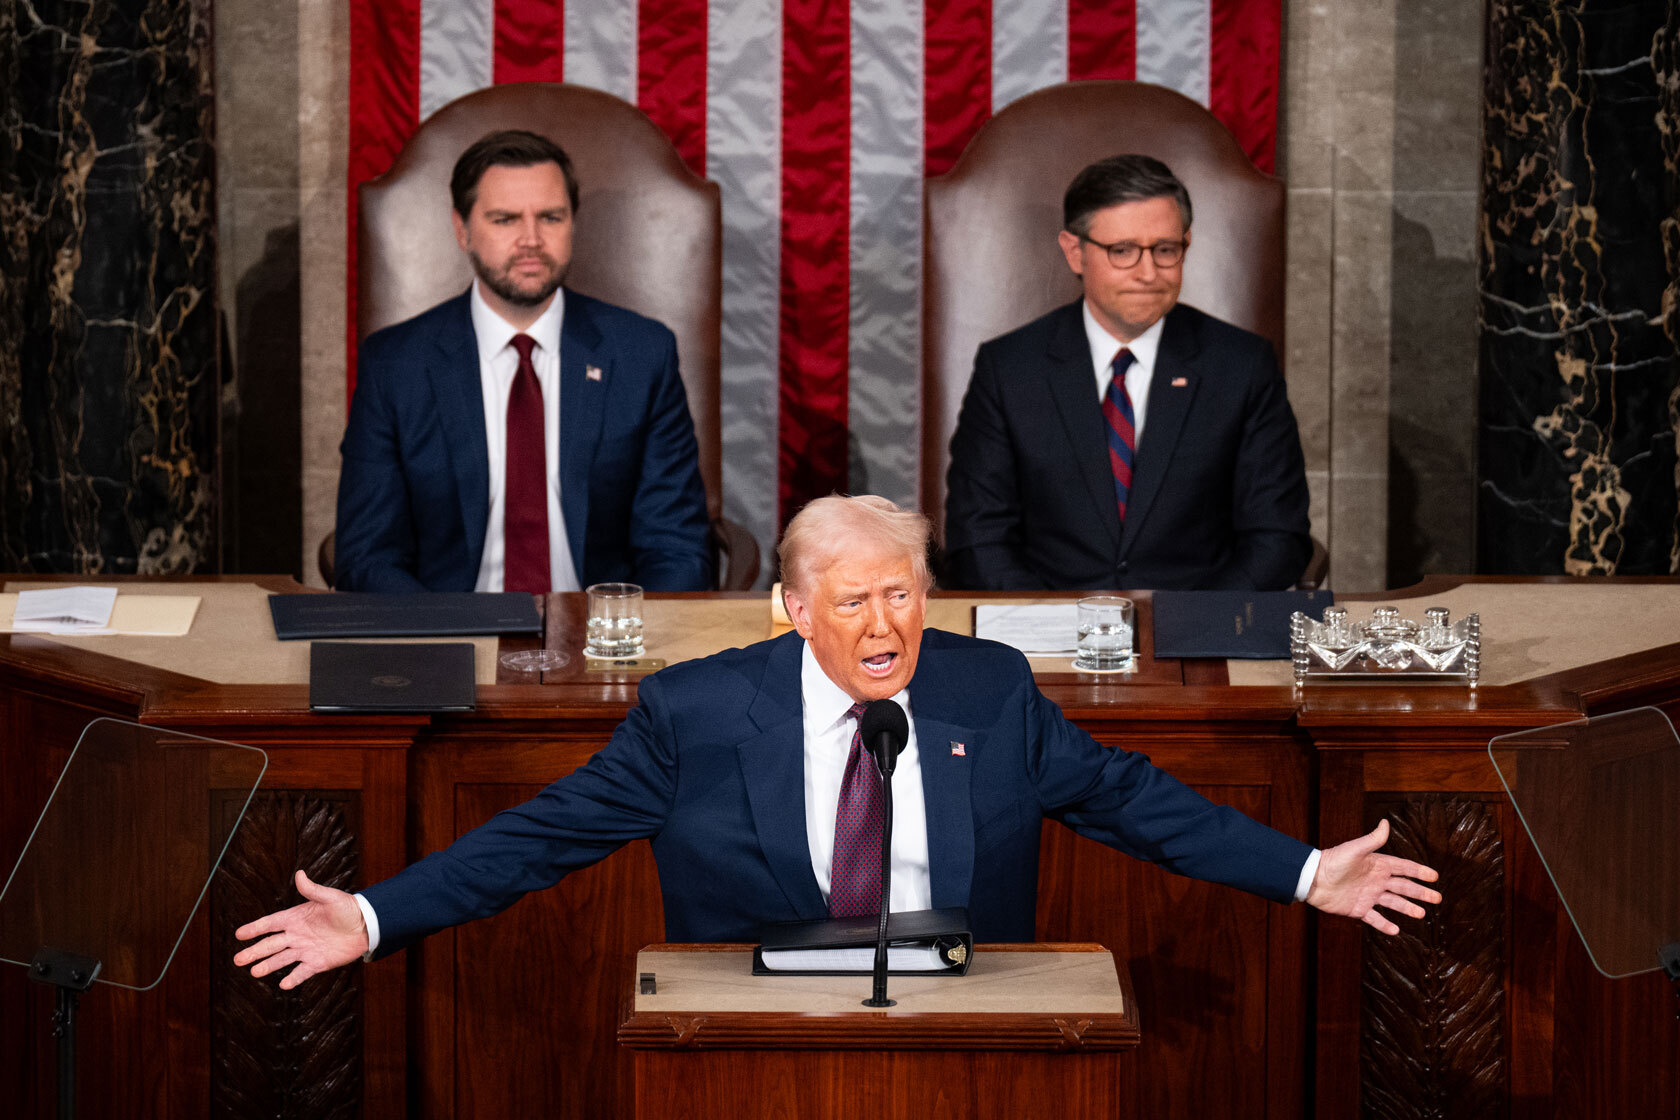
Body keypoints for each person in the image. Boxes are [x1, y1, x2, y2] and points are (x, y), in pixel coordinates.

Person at [234, 495, 1438, 990]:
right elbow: (541, 836)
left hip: (965, 1010)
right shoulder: (696, 711)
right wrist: (378, 914)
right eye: (853, 601)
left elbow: (1136, 800)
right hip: (753, 1016)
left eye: (906, 594)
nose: (886, 626)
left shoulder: (988, 691)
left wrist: (1308, 870)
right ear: (793, 610)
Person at [334, 129, 712, 593]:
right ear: (462, 230)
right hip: (451, 639)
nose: (530, 239)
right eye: (505, 219)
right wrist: (441, 639)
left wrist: (622, 643)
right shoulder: (396, 365)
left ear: (572, 224)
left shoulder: (641, 355)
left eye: (550, 217)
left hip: (604, 645)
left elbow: (677, 547)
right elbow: (368, 555)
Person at [944, 154, 1312, 591]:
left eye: (1165, 250)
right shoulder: (1009, 369)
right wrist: (1047, 626)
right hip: (1046, 636)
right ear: (1074, 251)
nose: (1148, 273)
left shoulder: (1241, 366)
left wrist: (1195, 625)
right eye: (1122, 251)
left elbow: (1277, 536)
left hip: (1195, 637)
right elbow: (978, 537)